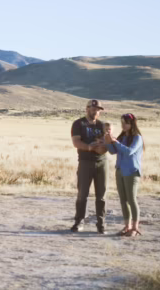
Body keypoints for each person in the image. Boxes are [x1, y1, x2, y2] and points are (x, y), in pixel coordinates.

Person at [70, 99, 108, 233]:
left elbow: (106, 143)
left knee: (101, 195)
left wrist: (103, 148)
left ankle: (101, 223)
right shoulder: (79, 124)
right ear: (87, 109)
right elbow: (76, 142)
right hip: (85, 162)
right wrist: (89, 148)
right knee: (82, 194)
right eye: (93, 109)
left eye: (98, 109)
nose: (96, 111)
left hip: (101, 162)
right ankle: (79, 221)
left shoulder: (102, 125)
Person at [106, 113, 144, 237]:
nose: (123, 125)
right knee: (123, 200)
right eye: (122, 122)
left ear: (132, 124)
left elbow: (129, 151)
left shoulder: (137, 138)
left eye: (126, 123)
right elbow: (113, 151)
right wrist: (107, 142)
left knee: (132, 200)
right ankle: (126, 226)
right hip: (120, 171)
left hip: (131, 172)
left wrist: (114, 141)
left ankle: (135, 228)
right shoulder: (122, 138)